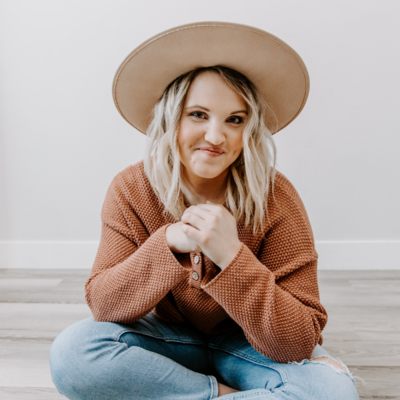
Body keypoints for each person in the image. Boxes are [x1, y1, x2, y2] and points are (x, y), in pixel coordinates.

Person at [49, 22, 361, 399]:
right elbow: (104, 304)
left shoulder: (276, 196)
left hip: (252, 345)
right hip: (167, 340)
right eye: (198, 114)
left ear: (251, 129)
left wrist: (230, 254)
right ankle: (219, 394)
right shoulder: (131, 188)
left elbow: (297, 341)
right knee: (72, 353)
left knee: (332, 391)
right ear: (172, 117)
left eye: (235, 119)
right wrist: (169, 242)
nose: (216, 137)